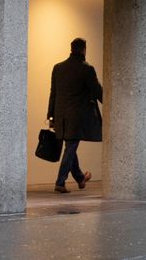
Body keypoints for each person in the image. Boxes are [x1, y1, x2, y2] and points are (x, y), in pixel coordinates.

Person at [47, 37, 103, 194]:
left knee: (70, 146)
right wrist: (112, 103)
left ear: (71, 49)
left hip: (60, 115)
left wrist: (50, 115)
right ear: (84, 49)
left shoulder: (58, 68)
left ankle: (79, 177)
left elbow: (53, 94)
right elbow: (97, 91)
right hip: (77, 117)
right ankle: (60, 181)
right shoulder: (87, 69)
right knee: (71, 147)